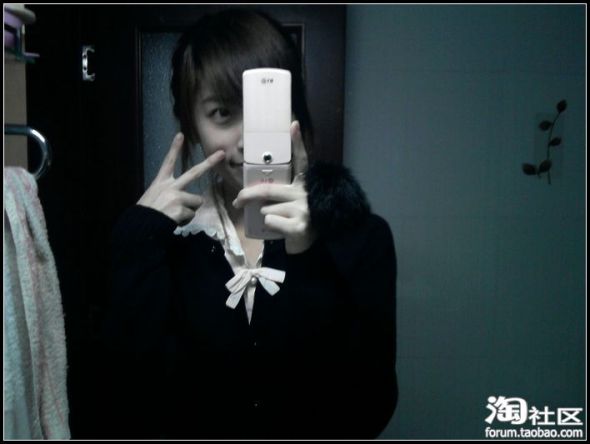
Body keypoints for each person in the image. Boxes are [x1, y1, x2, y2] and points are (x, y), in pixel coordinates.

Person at [100, 8, 398, 439]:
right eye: (222, 113)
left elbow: (369, 410)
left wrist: (308, 259)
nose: (247, 140)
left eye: (264, 112)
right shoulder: (172, 244)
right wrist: (138, 239)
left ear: (295, 114)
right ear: (192, 126)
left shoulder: (360, 238)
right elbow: (126, 404)